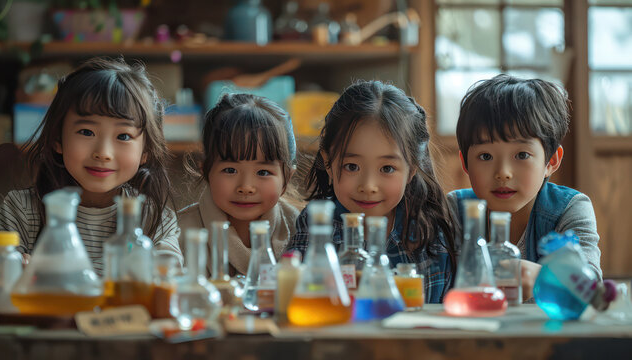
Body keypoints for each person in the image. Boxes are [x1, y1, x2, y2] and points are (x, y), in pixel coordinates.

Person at [0, 57, 183, 274]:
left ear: (146, 152)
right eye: (86, 132)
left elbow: (169, 281)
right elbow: (6, 286)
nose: (103, 153)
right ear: (57, 139)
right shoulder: (22, 209)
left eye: (123, 136)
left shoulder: (155, 219)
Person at [286, 80, 458, 303]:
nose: (368, 185)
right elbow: (299, 300)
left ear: (412, 169)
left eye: (387, 168)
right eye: (352, 167)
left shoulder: (429, 230)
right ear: (328, 163)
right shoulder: (318, 224)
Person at [450, 74, 602, 301]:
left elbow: (591, 287)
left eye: (522, 155)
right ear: (465, 163)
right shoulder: (453, 210)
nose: (503, 172)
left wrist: (544, 278)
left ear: (551, 161)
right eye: (485, 156)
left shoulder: (570, 208)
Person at [178, 93, 300, 276]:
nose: (246, 187)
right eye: (230, 170)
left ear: (287, 178)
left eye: (263, 172)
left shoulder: (298, 228)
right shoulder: (179, 232)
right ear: (206, 171)